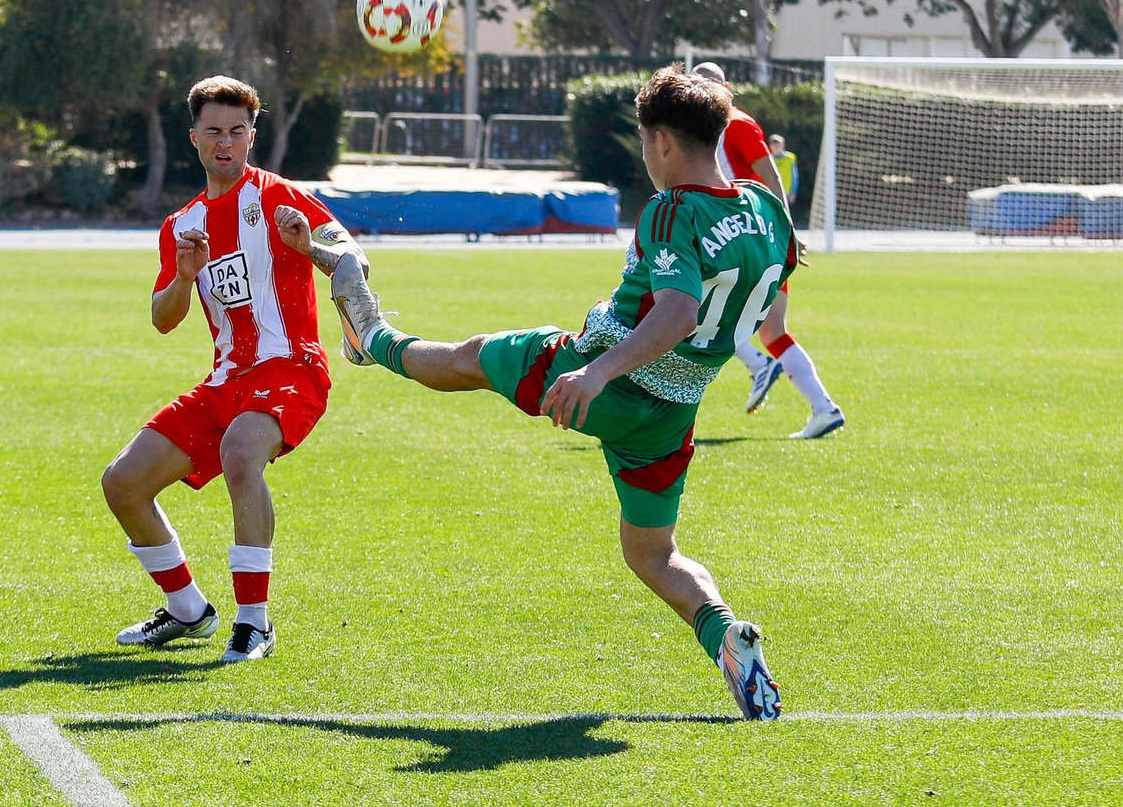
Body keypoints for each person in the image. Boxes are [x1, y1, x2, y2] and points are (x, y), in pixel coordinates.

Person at [328, 67, 791, 719]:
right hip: (672, 411)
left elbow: (680, 311)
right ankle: (725, 636)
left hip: (604, 373)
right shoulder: (765, 209)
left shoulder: (670, 209)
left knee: (469, 359)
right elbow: (760, 279)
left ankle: (367, 329)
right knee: (654, 554)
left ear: (659, 142)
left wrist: (598, 371)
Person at [100, 76, 367, 662]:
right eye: (214, 131)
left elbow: (352, 260)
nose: (226, 142)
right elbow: (163, 319)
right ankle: (188, 611)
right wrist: (184, 276)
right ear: (193, 137)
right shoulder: (181, 225)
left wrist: (310, 251)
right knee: (122, 483)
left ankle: (255, 623)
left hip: (291, 369)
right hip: (225, 382)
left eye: (237, 131)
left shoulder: (277, 197)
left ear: (252, 135)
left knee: (241, 454)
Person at [692, 62, 844, 439]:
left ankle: (763, 370)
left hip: (759, 238)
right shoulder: (702, 131)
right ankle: (822, 408)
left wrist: (787, 230)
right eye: (697, 86)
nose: (705, 92)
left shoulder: (737, 123)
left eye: (710, 85)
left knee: (696, 313)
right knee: (766, 329)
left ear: (726, 89)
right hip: (742, 237)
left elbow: (770, 174)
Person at [768, 134, 799, 210]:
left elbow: (795, 176)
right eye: (774, 145)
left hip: (786, 192)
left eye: (778, 144)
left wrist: (793, 192)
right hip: (772, 191)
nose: (776, 147)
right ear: (770, 146)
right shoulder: (768, 159)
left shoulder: (790, 158)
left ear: (783, 145)